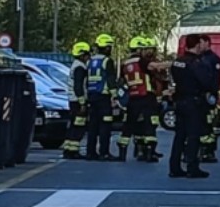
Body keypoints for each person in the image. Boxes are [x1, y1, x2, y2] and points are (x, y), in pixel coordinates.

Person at [168, 34, 219, 178]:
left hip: (180, 101)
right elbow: (206, 82)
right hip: (194, 102)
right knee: (193, 136)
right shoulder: (196, 63)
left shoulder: (177, 61)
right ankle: (192, 167)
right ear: (197, 45)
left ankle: (174, 167)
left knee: (179, 136)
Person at [117, 36, 162, 162]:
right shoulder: (142, 61)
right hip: (146, 97)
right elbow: (155, 67)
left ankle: (122, 151)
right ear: (139, 49)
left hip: (132, 98)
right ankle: (149, 152)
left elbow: (122, 82)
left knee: (129, 125)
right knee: (150, 124)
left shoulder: (125, 64)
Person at [83, 33, 119, 161]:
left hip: (92, 96)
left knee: (93, 125)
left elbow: (86, 80)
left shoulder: (90, 61)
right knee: (105, 125)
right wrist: (115, 96)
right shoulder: (107, 61)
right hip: (103, 97)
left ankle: (90, 152)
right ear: (107, 48)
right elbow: (110, 79)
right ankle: (104, 152)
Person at [60, 41, 90, 160]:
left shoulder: (75, 65)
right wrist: (82, 102)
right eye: (87, 54)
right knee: (78, 126)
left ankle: (68, 149)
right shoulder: (80, 67)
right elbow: (79, 86)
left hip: (73, 100)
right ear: (83, 55)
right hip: (78, 101)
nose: (89, 57)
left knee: (73, 125)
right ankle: (73, 150)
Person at [198, 39, 220, 163]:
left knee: (209, 125)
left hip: (209, 97)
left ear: (208, 43)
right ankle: (199, 150)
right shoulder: (198, 58)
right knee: (200, 124)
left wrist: (211, 93)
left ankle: (209, 151)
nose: (199, 45)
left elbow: (216, 80)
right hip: (199, 96)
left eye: (201, 42)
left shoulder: (214, 59)